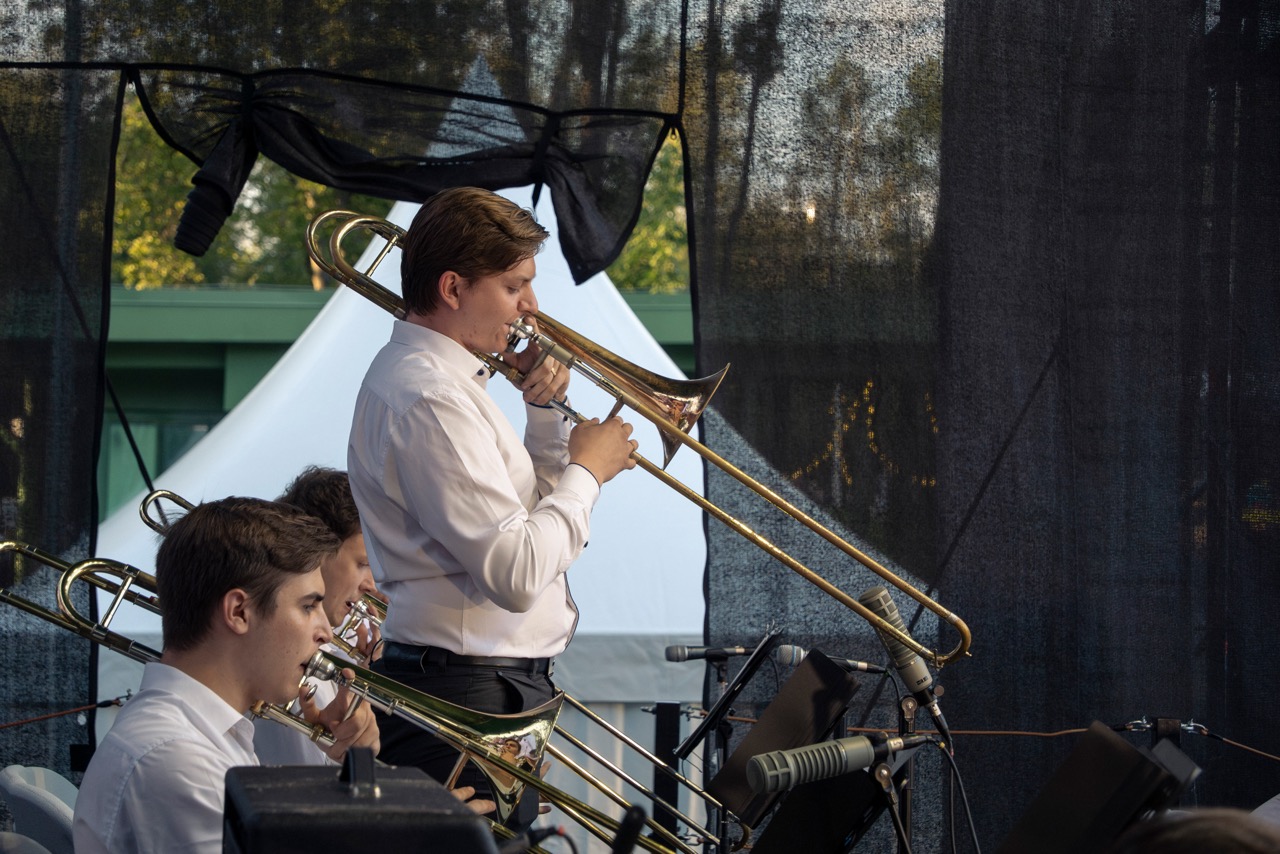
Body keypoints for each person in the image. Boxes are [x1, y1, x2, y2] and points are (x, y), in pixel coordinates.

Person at [347, 186, 638, 826]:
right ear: (453, 289)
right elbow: (516, 573)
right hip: (467, 686)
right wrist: (589, 471)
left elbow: (532, 525)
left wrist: (546, 412)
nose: (531, 307)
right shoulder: (432, 398)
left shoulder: (446, 385)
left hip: (485, 684)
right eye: (514, 286)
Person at [72, 497, 380, 854]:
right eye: (308, 606)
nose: (326, 633)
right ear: (239, 612)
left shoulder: (204, 735)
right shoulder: (178, 757)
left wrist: (346, 771)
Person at [253, 465, 381, 767]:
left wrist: (367, 679)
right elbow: (309, 780)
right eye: (363, 563)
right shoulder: (286, 657)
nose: (372, 585)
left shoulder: (334, 653)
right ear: (319, 553)